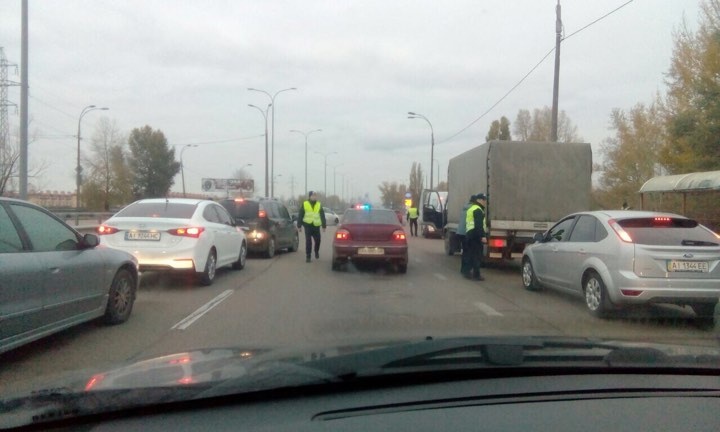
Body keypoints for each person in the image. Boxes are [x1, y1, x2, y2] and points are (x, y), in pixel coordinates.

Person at [463, 193, 488, 281]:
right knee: (477, 255)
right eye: (484, 200)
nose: (485, 202)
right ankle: (476, 275)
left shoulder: (472, 208)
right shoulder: (478, 210)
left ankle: (467, 272)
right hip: (475, 235)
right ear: (479, 200)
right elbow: (478, 225)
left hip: (470, 234)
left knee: (471, 254)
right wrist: (482, 236)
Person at [297, 191, 326, 263]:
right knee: (308, 241)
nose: (314, 197)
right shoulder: (305, 204)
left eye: (315, 196)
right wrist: (299, 225)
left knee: (318, 240)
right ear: (310, 197)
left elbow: (322, 215)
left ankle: (316, 251)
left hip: (316, 226)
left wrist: (324, 225)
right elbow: (301, 214)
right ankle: (308, 256)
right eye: (312, 196)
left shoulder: (319, 205)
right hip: (308, 225)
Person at [458, 195, 475, 277]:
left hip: (461, 232)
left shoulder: (465, 208)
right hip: (467, 233)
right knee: (469, 253)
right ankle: (467, 271)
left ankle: (463, 269)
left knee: (465, 252)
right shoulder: (473, 209)